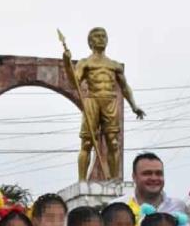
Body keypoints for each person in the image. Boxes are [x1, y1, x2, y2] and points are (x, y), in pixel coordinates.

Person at [62, 27, 146, 180]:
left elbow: (125, 87)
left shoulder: (114, 65)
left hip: (110, 101)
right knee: (87, 143)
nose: (101, 39)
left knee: (113, 143)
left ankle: (114, 180)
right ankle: (82, 181)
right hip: (92, 101)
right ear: (90, 41)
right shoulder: (84, 63)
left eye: (103, 36)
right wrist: (67, 64)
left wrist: (134, 106)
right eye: (97, 36)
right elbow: (75, 82)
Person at [113, 153, 189, 221]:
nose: (154, 178)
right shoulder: (116, 207)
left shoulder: (179, 206)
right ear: (134, 177)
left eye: (159, 173)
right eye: (147, 173)